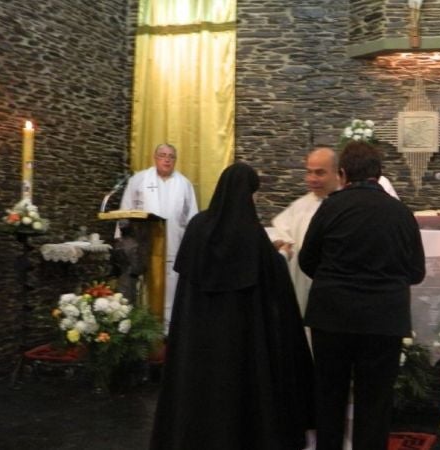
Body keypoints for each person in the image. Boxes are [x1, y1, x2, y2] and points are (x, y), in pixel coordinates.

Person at [150, 162, 314, 450]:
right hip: (239, 342)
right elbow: (273, 281)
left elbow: (187, 280)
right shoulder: (252, 235)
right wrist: (283, 256)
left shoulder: (198, 226)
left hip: (197, 338)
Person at [299, 142, 425, 450]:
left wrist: (336, 280)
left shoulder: (330, 207)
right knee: (375, 402)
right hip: (384, 319)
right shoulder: (401, 213)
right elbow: (417, 271)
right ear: (379, 175)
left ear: (342, 174)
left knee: (330, 397)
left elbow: (306, 260)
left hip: (332, 316)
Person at [119, 143, 198, 327]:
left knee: (172, 287)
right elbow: (125, 211)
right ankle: (144, 327)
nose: (167, 159)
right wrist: (122, 241)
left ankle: (169, 330)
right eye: (162, 155)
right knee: (144, 287)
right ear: (155, 158)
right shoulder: (138, 180)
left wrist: (191, 247)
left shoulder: (184, 184)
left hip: (174, 244)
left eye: (171, 156)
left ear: (175, 160)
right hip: (144, 245)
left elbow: (192, 218)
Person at [271, 146, 341, 315]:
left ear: (337, 173)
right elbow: (281, 231)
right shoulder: (300, 205)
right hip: (302, 287)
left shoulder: (346, 205)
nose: (312, 179)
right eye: (309, 172)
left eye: (319, 173)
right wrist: (280, 243)